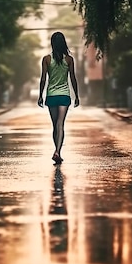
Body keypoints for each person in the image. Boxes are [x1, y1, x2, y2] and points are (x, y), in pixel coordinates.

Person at [37, 31, 80, 164]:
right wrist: (76, 96)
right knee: (60, 124)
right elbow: (73, 78)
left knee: (55, 125)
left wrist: (40, 96)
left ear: (52, 44)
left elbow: (43, 79)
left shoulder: (47, 59)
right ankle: (58, 151)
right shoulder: (69, 59)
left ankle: (57, 150)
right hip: (64, 95)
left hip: (51, 96)